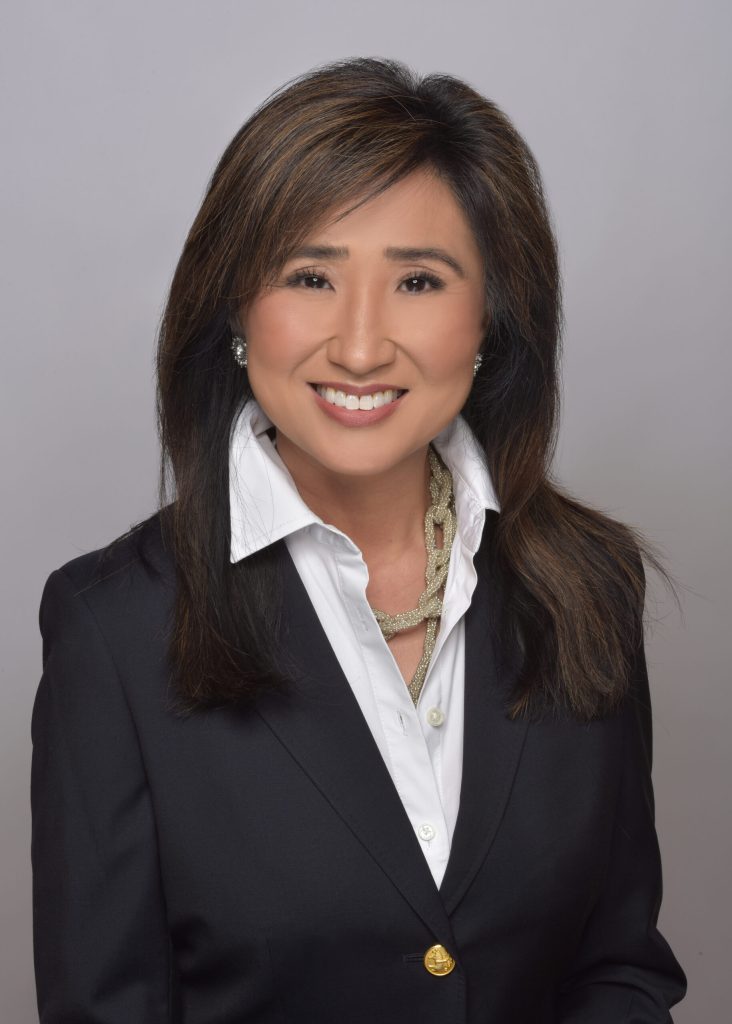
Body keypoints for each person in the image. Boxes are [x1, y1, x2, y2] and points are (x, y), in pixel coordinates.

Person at [30, 56, 687, 1022]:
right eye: (311, 277)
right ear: (236, 309)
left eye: (418, 280)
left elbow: (619, 970)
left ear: (491, 318)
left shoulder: (588, 580)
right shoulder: (114, 628)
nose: (362, 346)